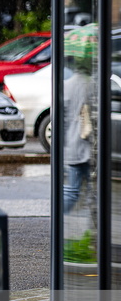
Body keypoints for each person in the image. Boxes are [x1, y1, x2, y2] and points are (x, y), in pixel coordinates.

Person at [63, 64, 92, 213]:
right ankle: (97, 228)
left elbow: (61, 120)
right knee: (94, 194)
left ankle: (59, 221)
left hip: (72, 147)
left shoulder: (66, 86)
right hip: (90, 148)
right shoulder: (92, 84)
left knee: (71, 192)